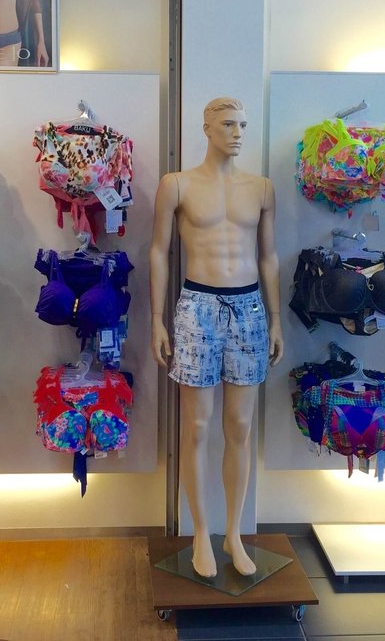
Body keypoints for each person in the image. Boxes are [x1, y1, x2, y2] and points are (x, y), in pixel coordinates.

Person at [149, 97, 284, 578]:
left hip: (249, 308)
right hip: (197, 306)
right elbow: (159, 251)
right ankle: (200, 533)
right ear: (206, 128)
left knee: (240, 427)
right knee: (197, 427)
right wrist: (157, 319)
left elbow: (268, 257)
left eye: (242, 124)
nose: (238, 132)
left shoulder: (261, 188)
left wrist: (275, 318)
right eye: (228, 124)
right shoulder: (177, 185)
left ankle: (233, 533)